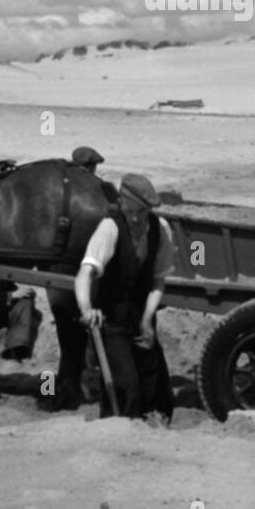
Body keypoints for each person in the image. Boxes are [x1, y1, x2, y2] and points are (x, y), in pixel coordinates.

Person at [74, 172, 174, 421]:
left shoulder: (160, 230)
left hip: (141, 316)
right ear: (122, 203)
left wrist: (148, 319)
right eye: (132, 212)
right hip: (112, 321)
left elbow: (157, 281)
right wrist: (87, 309)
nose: (137, 218)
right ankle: (118, 439)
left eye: (142, 212)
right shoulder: (109, 228)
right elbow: (85, 274)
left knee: (157, 389)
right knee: (126, 387)